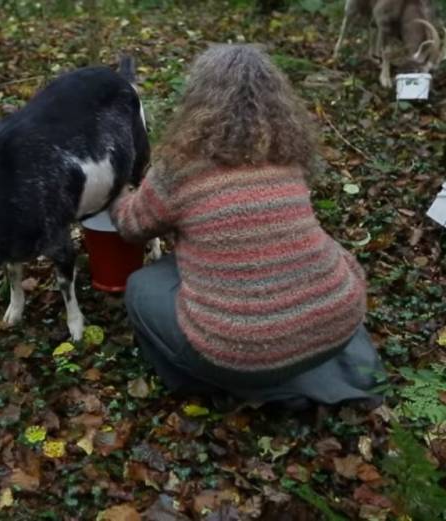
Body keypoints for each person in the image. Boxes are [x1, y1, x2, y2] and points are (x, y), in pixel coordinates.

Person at [110, 44, 385, 410]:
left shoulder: (179, 167)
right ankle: (313, 365)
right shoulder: (287, 156)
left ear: (197, 99)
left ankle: (212, 384)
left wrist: (118, 193)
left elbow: (131, 226)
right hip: (339, 321)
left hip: (236, 354)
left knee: (140, 286)